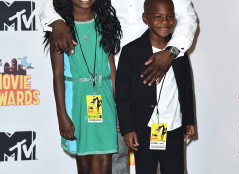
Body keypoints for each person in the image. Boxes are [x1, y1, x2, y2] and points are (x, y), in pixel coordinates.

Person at [39, 0, 197, 173]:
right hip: (120, 85)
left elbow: (188, 17)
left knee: (170, 162)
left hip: (145, 78)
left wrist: (171, 51)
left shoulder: (175, 53)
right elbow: (49, 6)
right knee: (116, 160)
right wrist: (57, 22)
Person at [115, 0, 196, 173]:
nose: (165, 22)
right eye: (158, 17)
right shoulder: (131, 51)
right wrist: (127, 128)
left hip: (174, 128)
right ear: (146, 18)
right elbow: (123, 94)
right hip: (144, 129)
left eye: (170, 17)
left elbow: (186, 88)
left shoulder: (178, 50)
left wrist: (189, 119)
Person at [45, 0, 122, 174]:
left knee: (104, 163)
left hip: (105, 100)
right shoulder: (60, 29)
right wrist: (62, 115)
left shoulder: (106, 22)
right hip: (77, 102)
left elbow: (112, 67)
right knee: (85, 165)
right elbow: (57, 75)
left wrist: (121, 109)